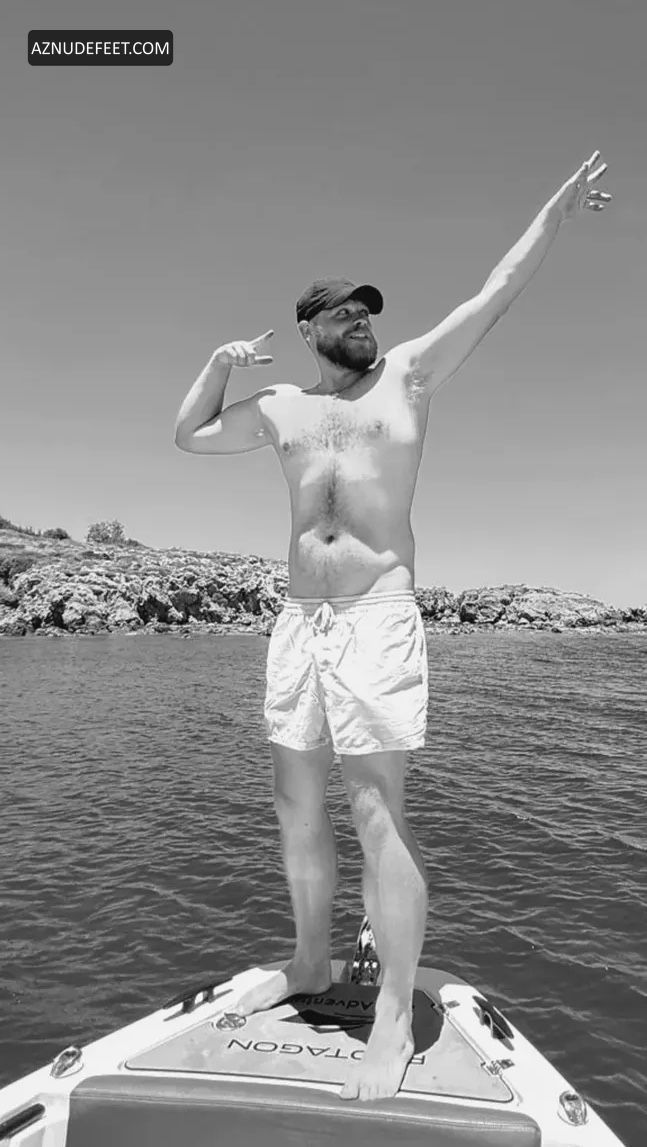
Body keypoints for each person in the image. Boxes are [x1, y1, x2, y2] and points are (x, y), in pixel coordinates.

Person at [174, 152, 611, 1101]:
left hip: (374, 615)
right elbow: (189, 435)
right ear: (308, 329)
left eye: (366, 309)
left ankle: (391, 1013)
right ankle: (309, 961)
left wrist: (554, 212)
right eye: (342, 312)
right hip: (298, 620)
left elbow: (495, 291)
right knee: (294, 804)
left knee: (377, 811)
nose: (361, 321)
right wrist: (216, 366)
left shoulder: (407, 375)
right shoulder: (281, 407)